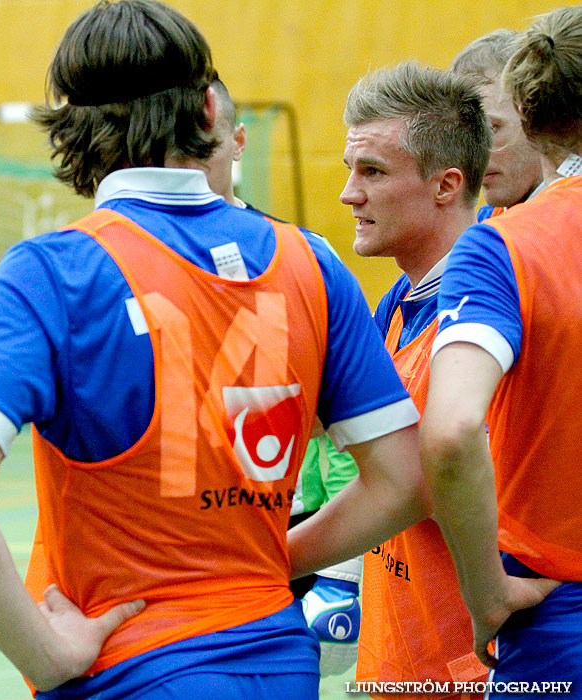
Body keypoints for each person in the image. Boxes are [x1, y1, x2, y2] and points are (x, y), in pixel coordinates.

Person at [0, 1, 424, 697]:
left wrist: (44, 654)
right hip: (278, 662)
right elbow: (405, 479)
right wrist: (270, 562)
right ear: (211, 111)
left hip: (133, 668)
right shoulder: (313, 262)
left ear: (71, 132)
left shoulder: (55, 272)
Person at [423, 6, 582, 691]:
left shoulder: (506, 246)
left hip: (559, 607)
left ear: (529, 111)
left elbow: (453, 428)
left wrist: (486, 595)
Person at [337, 62, 493, 696]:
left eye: (372, 172)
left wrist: (258, 565)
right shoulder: (400, 300)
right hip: (400, 658)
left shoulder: (485, 322)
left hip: (473, 669)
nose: (349, 193)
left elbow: (413, 486)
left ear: (445, 185)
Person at [212, 77, 364, 677]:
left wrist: (330, 567)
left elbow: (367, 434)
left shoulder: (302, 255)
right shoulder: (118, 263)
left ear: (238, 142)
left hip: (291, 519)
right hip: (190, 539)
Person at [450, 29, 544, 220]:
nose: (472, 156)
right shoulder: (485, 222)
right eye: (460, 135)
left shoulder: (572, 220)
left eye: (490, 129)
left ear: (543, 122)